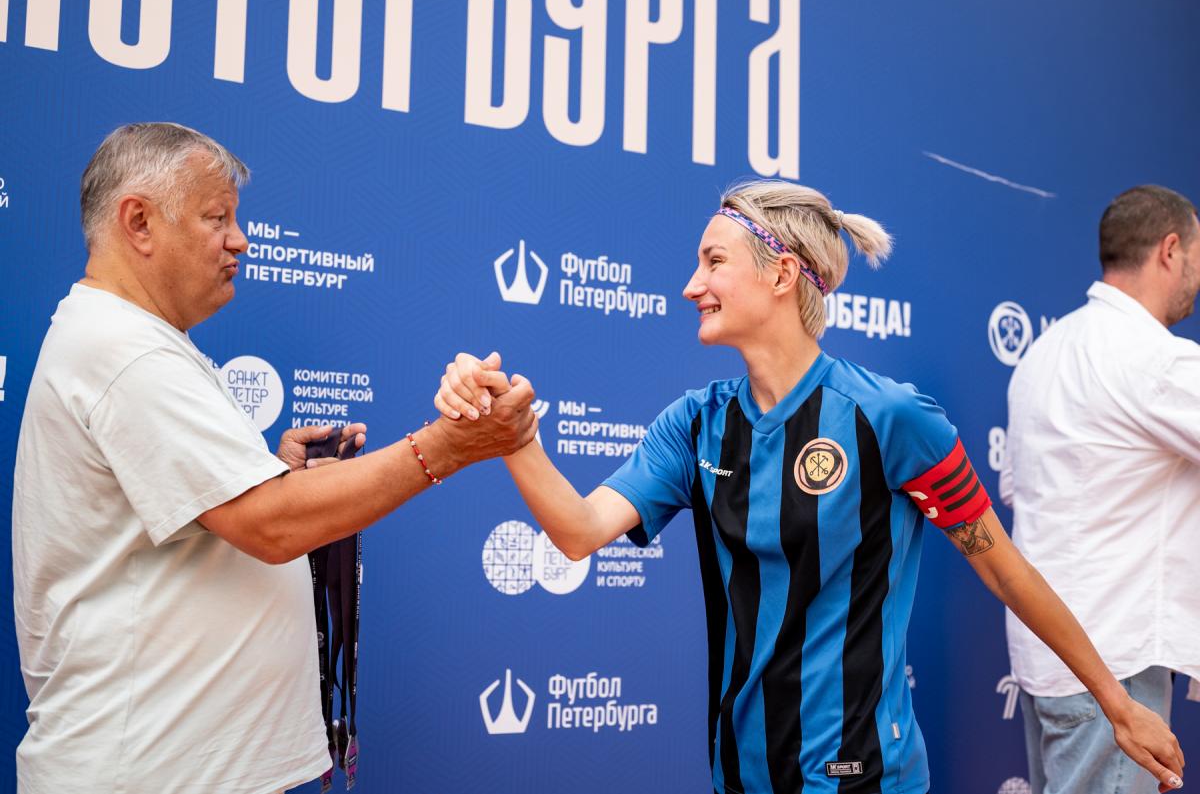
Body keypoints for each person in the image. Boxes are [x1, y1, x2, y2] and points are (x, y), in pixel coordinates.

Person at [435, 179, 1185, 794]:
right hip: (741, 774)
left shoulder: (890, 417)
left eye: (714, 261)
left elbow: (1005, 569)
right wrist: (515, 438)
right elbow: (576, 532)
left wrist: (1117, 705)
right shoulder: (696, 424)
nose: (692, 285)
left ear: (782, 273)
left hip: (865, 778)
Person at [11, 122, 536, 794]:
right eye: (217, 218)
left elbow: (224, 517)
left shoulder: (133, 342)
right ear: (138, 222)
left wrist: (277, 477)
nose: (240, 240)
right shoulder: (124, 351)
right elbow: (269, 523)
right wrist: (446, 446)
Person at [1000, 184, 1200, 794]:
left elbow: (1016, 488)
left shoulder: (1044, 353)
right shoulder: (1154, 359)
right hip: (1114, 669)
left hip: (1051, 657)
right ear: (1170, 250)